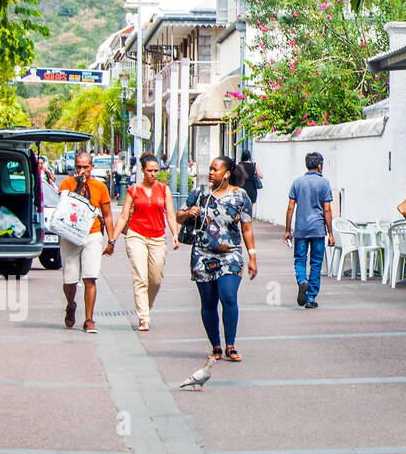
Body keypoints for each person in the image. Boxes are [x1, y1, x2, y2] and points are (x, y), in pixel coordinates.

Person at [177, 156, 257, 362]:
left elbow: (246, 228)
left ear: (227, 173)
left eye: (215, 169)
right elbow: (179, 215)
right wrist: (188, 213)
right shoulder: (201, 193)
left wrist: (252, 256)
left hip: (230, 254)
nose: (211, 172)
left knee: (228, 295)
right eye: (210, 169)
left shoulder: (241, 196)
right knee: (208, 303)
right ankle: (216, 346)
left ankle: (230, 345)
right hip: (202, 255)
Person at [109, 153, 180, 332]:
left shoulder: (164, 189)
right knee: (140, 277)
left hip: (157, 237)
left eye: (156, 171)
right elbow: (124, 215)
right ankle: (144, 317)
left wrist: (175, 234)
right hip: (136, 235)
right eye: (149, 171)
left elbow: (170, 213)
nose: (153, 174)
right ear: (142, 170)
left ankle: (145, 306)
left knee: (155, 279)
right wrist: (112, 239)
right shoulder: (134, 190)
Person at [58, 151, 115, 334]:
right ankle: (70, 304)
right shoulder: (67, 184)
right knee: (70, 279)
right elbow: (64, 207)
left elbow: (107, 215)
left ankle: (89, 319)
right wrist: (79, 186)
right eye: (79, 167)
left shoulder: (100, 187)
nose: (82, 170)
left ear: (92, 167)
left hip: (92, 235)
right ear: (75, 167)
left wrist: (111, 239)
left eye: (86, 167)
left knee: (90, 277)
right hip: (71, 236)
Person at [283, 151, 334, 309]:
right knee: (316, 263)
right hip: (318, 229)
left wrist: (287, 230)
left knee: (300, 259)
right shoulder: (324, 183)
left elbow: (291, 207)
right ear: (320, 166)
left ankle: (302, 281)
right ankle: (311, 297)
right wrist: (330, 233)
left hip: (301, 229)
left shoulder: (297, 183)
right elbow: (327, 210)